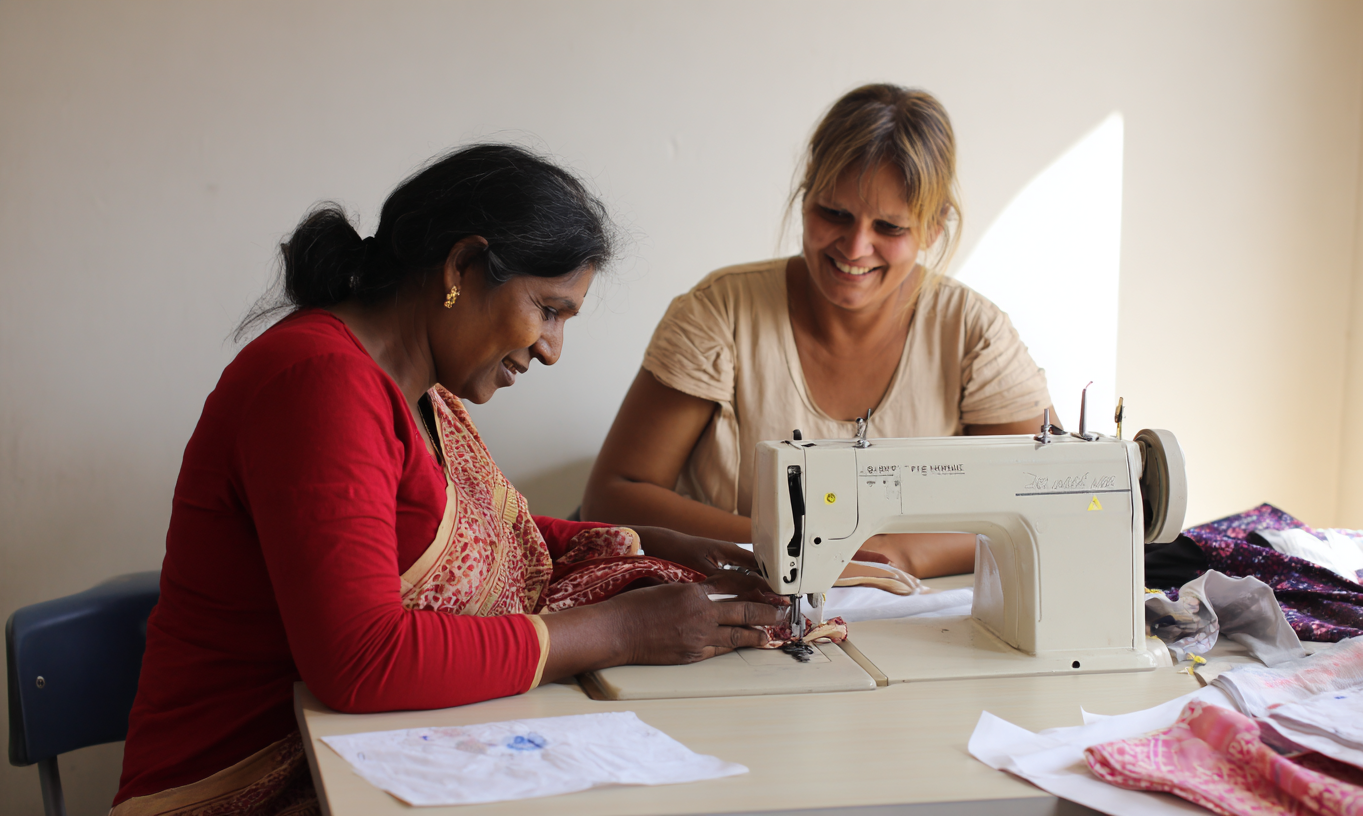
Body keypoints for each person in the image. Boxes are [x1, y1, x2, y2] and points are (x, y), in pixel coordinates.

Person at [113, 144, 784, 816]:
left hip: (364, 757)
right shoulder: (319, 384)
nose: (552, 349)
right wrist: (623, 631)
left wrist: (650, 541)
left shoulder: (422, 396)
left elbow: (477, 535)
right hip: (244, 789)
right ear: (461, 266)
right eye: (548, 310)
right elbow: (363, 661)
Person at [581, 84, 1056, 579]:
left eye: (889, 227)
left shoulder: (976, 334)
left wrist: (897, 555)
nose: (855, 247)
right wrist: (798, 549)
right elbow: (612, 497)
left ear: (934, 228)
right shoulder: (718, 311)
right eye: (835, 214)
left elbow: (1049, 502)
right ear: (806, 197)